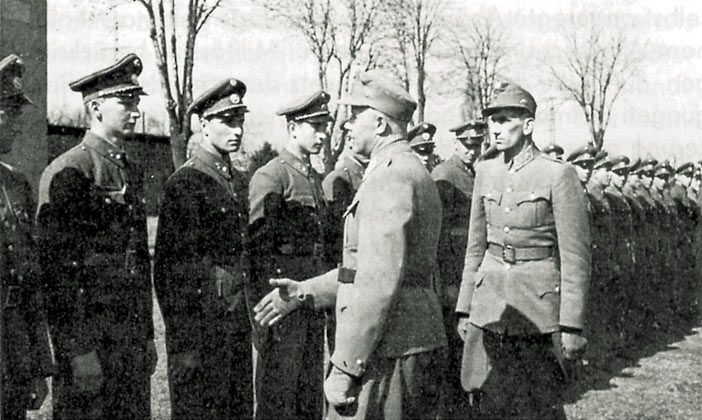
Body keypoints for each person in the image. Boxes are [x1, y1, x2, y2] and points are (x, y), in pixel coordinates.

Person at [253, 70, 447, 419]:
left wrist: (344, 368)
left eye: (356, 115)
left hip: (386, 350)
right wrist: (303, 291)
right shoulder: (408, 169)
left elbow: (377, 284)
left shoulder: (390, 177)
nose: (346, 125)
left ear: (381, 124)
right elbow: (365, 269)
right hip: (405, 340)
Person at [455, 81, 590, 419]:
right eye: (492, 120)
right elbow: (476, 247)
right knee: (488, 403)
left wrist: (571, 325)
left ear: (528, 125)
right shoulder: (485, 171)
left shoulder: (558, 175)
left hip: (538, 313)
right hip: (489, 309)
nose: (495, 128)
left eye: (504, 120)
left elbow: (575, 257)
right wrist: (464, 307)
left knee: (537, 406)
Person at [36, 53, 156, 419]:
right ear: (96, 108)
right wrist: (77, 349)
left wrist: (148, 335)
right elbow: (57, 273)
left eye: (137, 101)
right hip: (92, 343)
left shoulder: (128, 170)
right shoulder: (71, 171)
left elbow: (137, 262)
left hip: (129, 341)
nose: (136, 111)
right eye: (126, 102)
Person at [154, 78, 252, 419]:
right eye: (227, 121)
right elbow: (171, 274)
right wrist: (184, 347)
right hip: (201, 336)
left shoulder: (235, 181)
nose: (236, 129)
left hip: (233, 327)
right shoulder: (186, 183)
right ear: (204, 124)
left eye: (240, 120)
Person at [247, 90, 333, 420]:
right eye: (315, 126)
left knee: (308, 399)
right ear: (294, 128)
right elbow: (256, 253)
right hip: (280, 308)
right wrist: (261, 318)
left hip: (308, 304)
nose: (323, 134)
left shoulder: (315, 178)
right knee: (278, 401)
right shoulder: (272, 176)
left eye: (325, 125)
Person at [0, 54, 53, 420]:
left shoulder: (16, 184)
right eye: (9, 112)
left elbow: (29, 280)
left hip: (15, 348)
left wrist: (39, 362)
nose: (18, 124)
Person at [431, 119, 485, 418]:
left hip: (472, 276)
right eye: (466, 144)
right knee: (453, 354)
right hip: (451, 278)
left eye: (476, 145)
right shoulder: (444, 177)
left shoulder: (475, 174)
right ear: (455, 143)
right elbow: (438, 239)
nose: (471, 150)